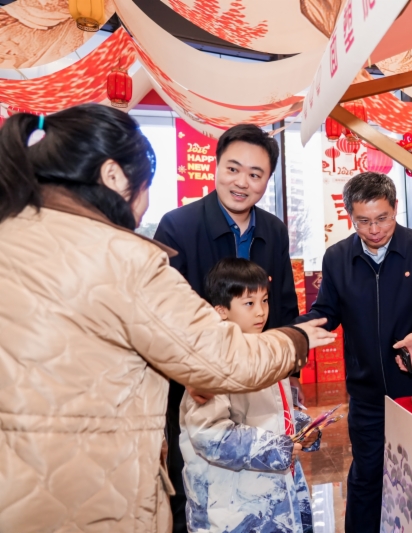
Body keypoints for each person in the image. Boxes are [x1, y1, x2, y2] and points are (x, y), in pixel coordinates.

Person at [0, 105, 334, 532]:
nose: (144, 203)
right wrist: (296, 341)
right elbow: (208, 353)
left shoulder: (12, 231)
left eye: (256, 174)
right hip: (109, 464)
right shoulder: (133, 251)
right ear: (114, 177)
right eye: (146, 185)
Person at [296, 172, 412, 532]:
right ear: (350, 216)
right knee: (366, 476)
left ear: (396, 208)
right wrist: (293, 333)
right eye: (363, 221)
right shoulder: (338, 257)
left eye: (382, 218)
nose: (374, 230)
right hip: (367, 392)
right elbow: (326, 312)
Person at [154, 124, 302, 531]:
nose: (241, 182)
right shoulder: (178, 226)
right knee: (198, 493)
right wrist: (193, 375)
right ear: (216, 166)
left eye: (255, 174)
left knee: (258, 489)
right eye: (233, 169)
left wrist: (289, 375)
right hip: (197, 388)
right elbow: (165, 316)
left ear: (267, 181)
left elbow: (284, 307)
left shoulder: (273, 230)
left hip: (258, 387)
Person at [181, 259, 321, 533]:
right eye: (249, 303)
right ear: (221, 311)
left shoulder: (267, 350)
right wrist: (276, 447)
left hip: (273, 494)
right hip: (233, 507)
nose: (261, 311)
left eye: (264, 300)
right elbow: (209, 434)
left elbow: (271, 411)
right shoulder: (212, 360)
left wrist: (301, 427)